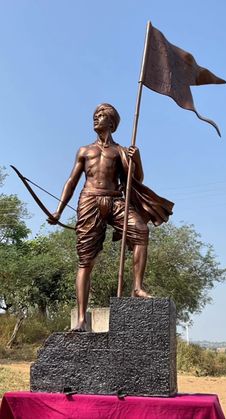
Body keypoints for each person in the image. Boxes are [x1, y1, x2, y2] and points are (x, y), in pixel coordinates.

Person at [48, 103, 174, 331]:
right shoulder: (84, 150)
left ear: (112, 122)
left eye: (101, 115)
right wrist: (58, 209)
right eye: (95, 115)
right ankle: (81, 319)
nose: (96, 118)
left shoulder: (120, 151)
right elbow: (72, 181)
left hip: (115, 199)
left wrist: (137, 160)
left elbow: (136, 179)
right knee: (86, 260)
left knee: (141, 232)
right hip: (89, 200)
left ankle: (137, 287)